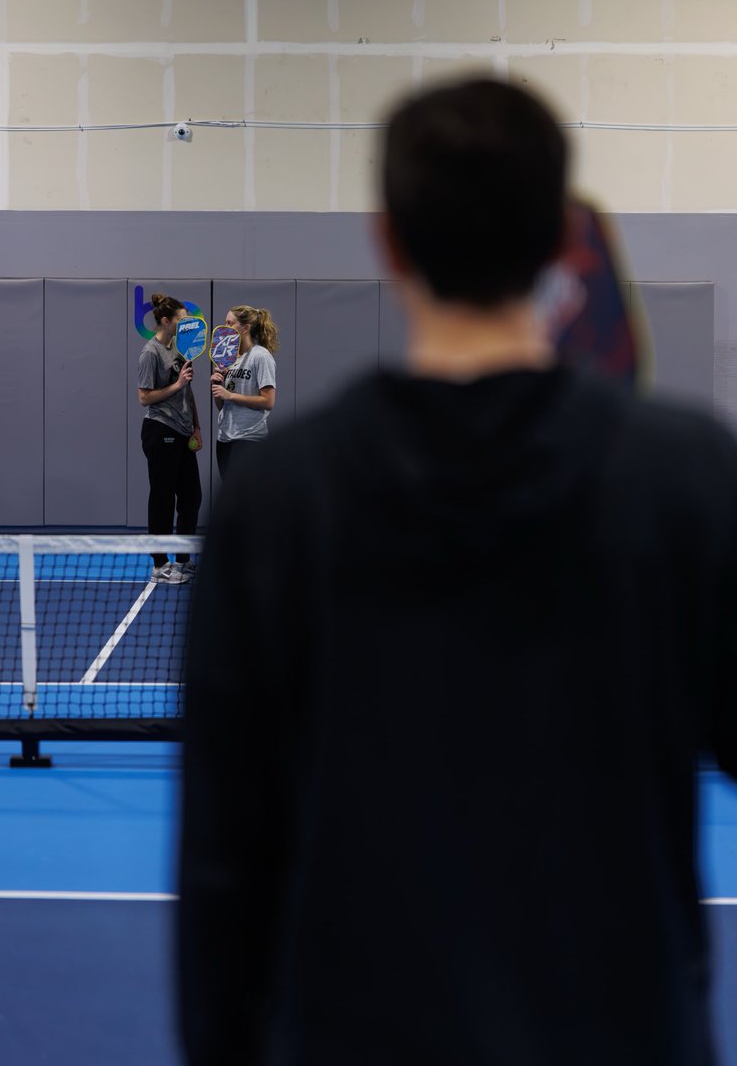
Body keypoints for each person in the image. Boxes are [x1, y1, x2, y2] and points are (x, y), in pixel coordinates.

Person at [179, 78, 737, 1065]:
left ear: (386, 241)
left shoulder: (276, 504)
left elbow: (226, 870)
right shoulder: (685, 479)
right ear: (562, 243)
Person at [137, 293, 202, 584]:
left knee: (191, 496)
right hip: (160, 429)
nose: (185, 323)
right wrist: (176, 384)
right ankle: (160, 564)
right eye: (181, 319)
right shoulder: (150, 353)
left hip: (183, 430)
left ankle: (183, 560)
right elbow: (144, 397)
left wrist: (197, 427)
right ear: (166, 320)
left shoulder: (180, 349)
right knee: (162, 497)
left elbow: (187, 391)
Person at [211, 305, 278, 478]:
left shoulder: (260, 356)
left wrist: (230, 395)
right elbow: (222, 405)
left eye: (230, 323)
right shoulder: (228, 359)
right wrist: (218, 387)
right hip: (225, 438)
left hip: (249, 439)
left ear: (245, 328)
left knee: (248, 500)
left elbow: (268, 402)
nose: (225, 327)